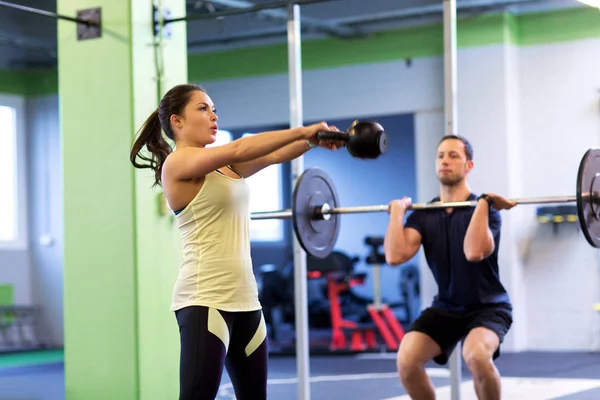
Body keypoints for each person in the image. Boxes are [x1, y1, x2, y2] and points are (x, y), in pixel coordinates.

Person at [129, 83, 343, 400]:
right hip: (205, 299)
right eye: (203, 108)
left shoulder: (227, 169)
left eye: (215, 109)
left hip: (246, 300)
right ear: (177, 121)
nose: (213, 115)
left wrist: (311, 142)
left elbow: (272, 155)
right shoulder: (177, 164)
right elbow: (241, 148)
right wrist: (303, 130)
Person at [383, 135, 516, 400]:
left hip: (488, 308)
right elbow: (395, 256)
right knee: (407, 360)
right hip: (446, 307)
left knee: (476, 356)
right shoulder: (423, 214)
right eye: (441, 155)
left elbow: (474, 251)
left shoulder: (487, 211)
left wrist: (483, 204)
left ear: (469, 165)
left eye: (454, 155)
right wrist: (398, 213)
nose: (445, 161)